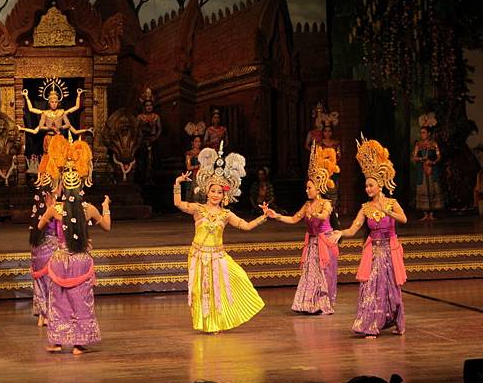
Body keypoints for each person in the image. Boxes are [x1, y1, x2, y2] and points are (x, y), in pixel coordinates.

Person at [173, 144, 266, 333]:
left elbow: (245, 226)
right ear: (207, 191)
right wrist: (177, 183)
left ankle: (217, 323)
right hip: (199, 256)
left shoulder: (226, 214)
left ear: (225, 195)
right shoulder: (198, 209)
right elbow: (178, 203)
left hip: (218, 258)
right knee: (201, 290)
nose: (216, 195)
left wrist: (263, 217)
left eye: (220, 192)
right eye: (213, 191)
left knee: (221, 288)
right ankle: (206, 323)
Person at [37, 138, 111, 354]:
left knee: (58, 302)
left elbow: (40, 226)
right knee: (81, 301)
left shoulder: (56, 210)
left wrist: (50, 209)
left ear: (62, 185)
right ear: (81, 185)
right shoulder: (89, 209)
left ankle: (57, 342)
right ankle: (79, 344)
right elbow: (107, 227)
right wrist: (106, 207)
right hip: (81, 260)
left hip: (60, 259)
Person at [331, 137, 407, 338]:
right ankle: (370, 324)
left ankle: (395, 320)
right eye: (366, 186)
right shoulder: (365, 208)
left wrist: (387, 211)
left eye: (371, 185)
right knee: (372, 288)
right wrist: (340, 233)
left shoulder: (391, 203)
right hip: (373, 254)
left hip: (389, 253)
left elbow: (404, 219)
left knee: (391, 288)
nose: (368, 189)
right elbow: (353, 229)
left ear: (380, 184)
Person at [264, 142, 339, 314]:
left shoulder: (326, 203)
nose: (307, 190)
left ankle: (321, 303)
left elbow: (325, 215)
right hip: (312, 243)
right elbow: (293, 219)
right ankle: (308, 304)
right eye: (306, 187)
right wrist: (276, 216)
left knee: (322, 273)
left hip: (324, 242)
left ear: (318, 188)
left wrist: (316, 214)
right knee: (310, 272)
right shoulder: (307, 205)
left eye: (309, 188)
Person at [29, 174, 59, 327]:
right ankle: (46, 314)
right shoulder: (51, 211)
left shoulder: (38, 217)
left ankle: (42, 314)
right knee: (49, 283)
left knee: (40, 283)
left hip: (38, 252)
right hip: (49, 250)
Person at [412, 125, 443, 220]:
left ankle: (432, 214)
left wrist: (433, 162)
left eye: (424, 132)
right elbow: (414, 157)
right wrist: (421, 159)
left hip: (432, 169)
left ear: (428, 133)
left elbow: (439, 157)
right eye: (421, 133)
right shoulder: (418, 145)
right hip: (422, 170)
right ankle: (425, 214)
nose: (422, 135)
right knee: (423, 188)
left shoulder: (434, 144)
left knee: (433, 189)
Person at [136, 87, 162, 185]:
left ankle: (153, 178)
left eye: (150, 105)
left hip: (153, 140)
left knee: (153, 160)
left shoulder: (156, 117)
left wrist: (155, 138)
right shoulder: (140, 117)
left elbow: (159, 129)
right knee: (142, 160)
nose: (149, 107)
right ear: (144, 107)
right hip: (142, 141)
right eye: (147, 105)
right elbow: (136, 129)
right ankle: (142, 179)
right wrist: (141, 138)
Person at [183, 121, 205, 202]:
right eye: (196, 141)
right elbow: (188, 167)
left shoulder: (203, 152)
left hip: (202, 175)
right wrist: (198, 166)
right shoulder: (189, 153)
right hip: (193, 176)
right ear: (192, 143)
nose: (198, 143)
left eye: (199, 141)